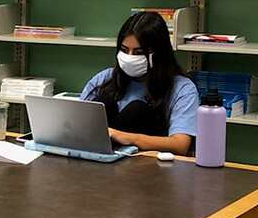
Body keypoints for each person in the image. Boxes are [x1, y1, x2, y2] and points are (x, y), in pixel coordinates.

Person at [79, 11, 199, 156]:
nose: (129, 57)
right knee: (103, 103)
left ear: (157, 55)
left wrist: (126, 137)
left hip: (149, 167)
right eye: (124, 50)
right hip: (97, 162)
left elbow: (180, 145)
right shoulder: (104, 79)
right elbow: (76, 126)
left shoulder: (182, 89)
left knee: (137, 110)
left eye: (138, 52)